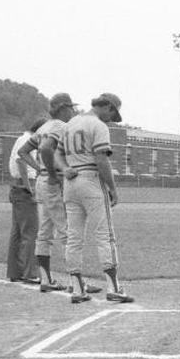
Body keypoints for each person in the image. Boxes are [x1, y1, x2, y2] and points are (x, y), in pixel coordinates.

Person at [19, 94, 96, 293]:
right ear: (63, 109)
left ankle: (46, 279)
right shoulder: (60, 126)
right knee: (67, 232)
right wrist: (53, 173)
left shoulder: (44, 126)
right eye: (70, 107)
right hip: (53, 182)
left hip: (42, 182)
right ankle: (76, 283)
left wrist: (39, 169)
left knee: (44, 233)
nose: (72, 111)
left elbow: (23, 152)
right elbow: (45, 148)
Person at [63, 93, 132, 304]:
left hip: (71, 181)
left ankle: (77, 289)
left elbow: (56, 153)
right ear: (107, 106)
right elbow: (102, 160)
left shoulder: (70, 124)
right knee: (105, 235)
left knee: (74, 237)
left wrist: (64, 168)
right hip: (91, 179)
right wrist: (112, 188)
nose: (111, 118)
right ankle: (114, 287)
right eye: (112, 112)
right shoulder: (98, 125)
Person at [6, 117, 46, 284]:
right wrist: (29, 187)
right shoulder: (29, 140)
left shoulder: (20, 138)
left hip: (16, 187)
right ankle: (30, 272)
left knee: (17, 232)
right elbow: (21, 161)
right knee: (31, 232)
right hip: (23, 187)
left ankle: (15, 271)